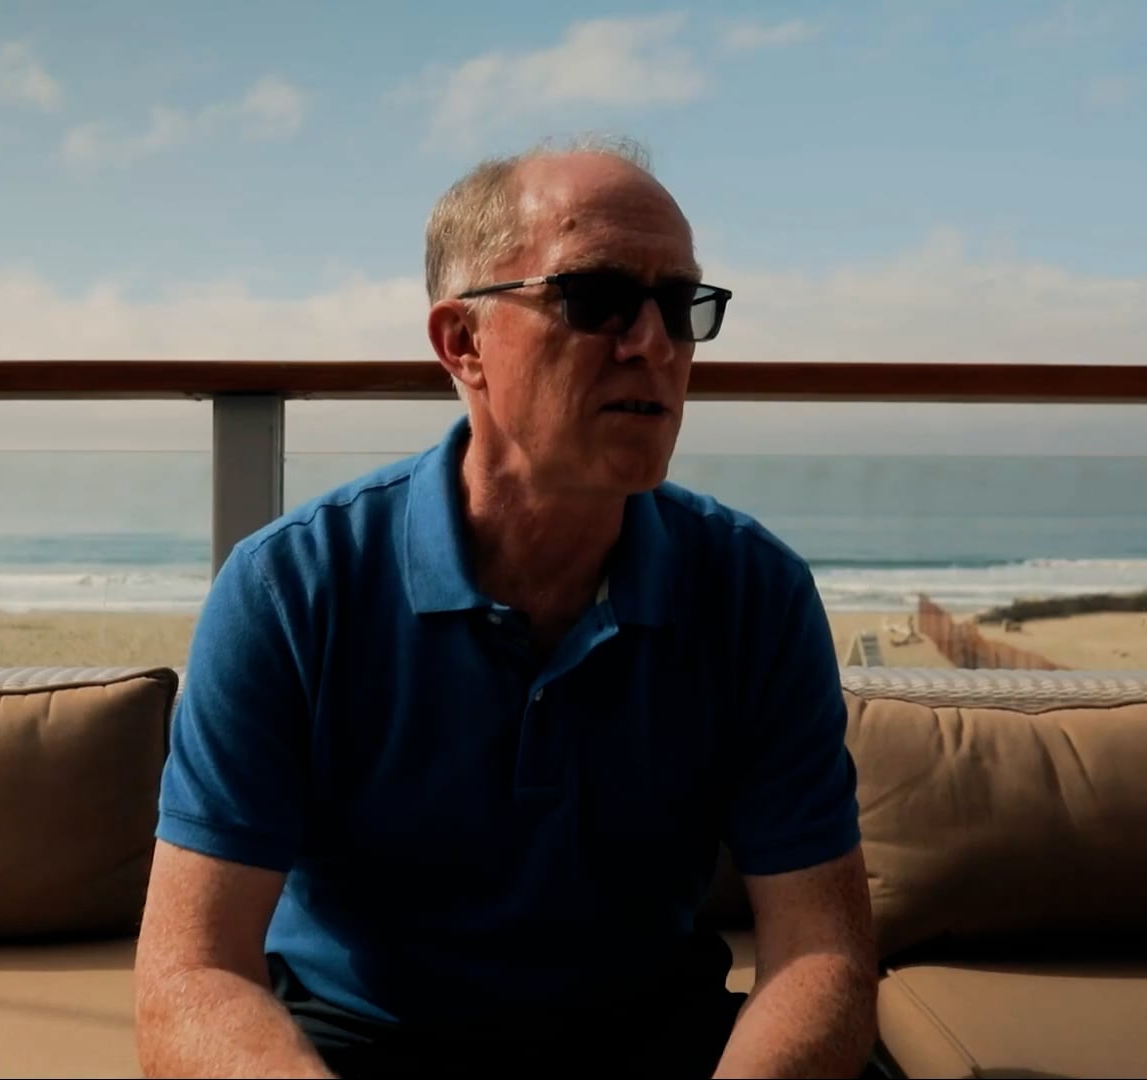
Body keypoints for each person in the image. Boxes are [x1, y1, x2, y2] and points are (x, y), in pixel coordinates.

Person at [134, 136, 876, 1079]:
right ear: (462, 343)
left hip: (656, 1039)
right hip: (364, 1042)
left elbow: (825, 958)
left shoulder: (753, 593)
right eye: (597, 297)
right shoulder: (293, 588)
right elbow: (191, 973)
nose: (653, 342)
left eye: (681, 305)